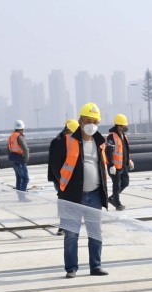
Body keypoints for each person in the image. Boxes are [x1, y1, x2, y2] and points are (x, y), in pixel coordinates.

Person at [51, 102, 108, 278]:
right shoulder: (67, 141)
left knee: (95, 233)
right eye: (88, 120)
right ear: (81, 121)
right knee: (71, 234)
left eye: (95, 121)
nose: (92, 125)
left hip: (95, 195)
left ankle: (95, 266)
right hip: (72, 196)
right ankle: (71, 268)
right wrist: (63, 186)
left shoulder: (100, 142)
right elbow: (54, 165)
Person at [106, 114, 133, 211]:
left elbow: (125, 150)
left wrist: (128, 160)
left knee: (125, 182)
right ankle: (117, 204)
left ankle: (112, 197)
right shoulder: (111, 137)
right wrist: (111, 165)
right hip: (115, 167)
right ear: (119, 126)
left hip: (123, 165)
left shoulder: (124, 136)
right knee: (116, 185)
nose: (125, 127)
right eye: (123, 125)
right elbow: (108, 151)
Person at [8, 120, 30, 199]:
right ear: (22, 128)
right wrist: (26, 159)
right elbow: (25, 148)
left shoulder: (11, 136)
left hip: (12, 158)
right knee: (25, 178)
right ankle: (22, 197)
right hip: (19, 159)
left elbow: (8, 148)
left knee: (19, 177)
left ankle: (19, 197)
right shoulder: (19, 136)